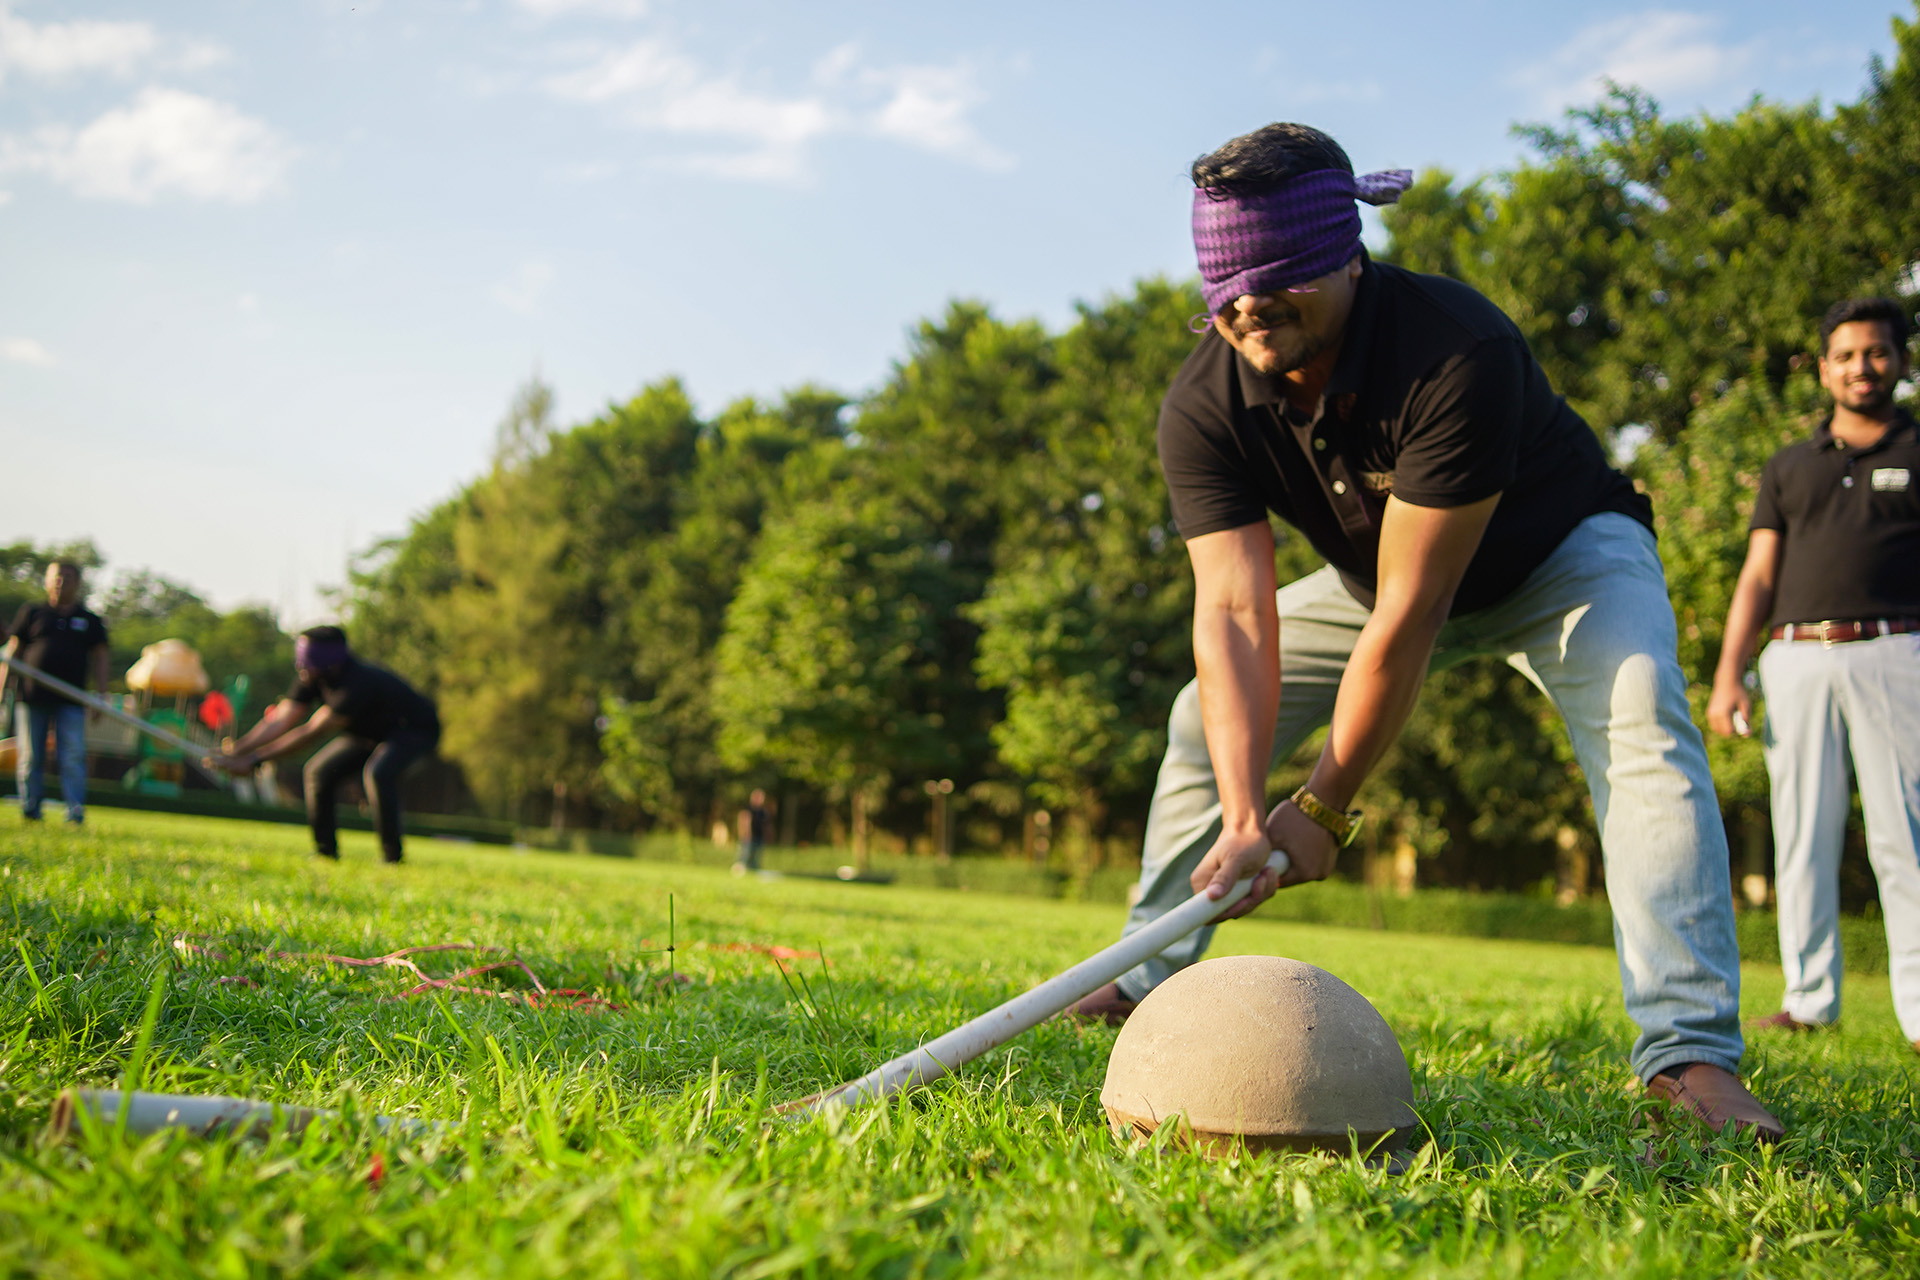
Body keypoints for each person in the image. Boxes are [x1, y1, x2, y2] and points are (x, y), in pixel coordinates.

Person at [1066, 123, 1780, 1139]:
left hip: (1560, 561)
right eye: (1226, 287)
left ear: (1346, 254)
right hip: (1372, 585)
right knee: (1198, 720)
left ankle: (1689, 1053)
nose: (1249, 306)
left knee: (1643, 720)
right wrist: (1246, 815)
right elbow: (1232, 610)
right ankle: (1146, 979)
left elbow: (1414, 609)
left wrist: (1324, 805)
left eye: (1278, 278)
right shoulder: (1204, 401)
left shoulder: (1456, 350)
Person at [1707, 298, 1920, 1054]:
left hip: (1895, 652)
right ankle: (1808, 999)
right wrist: (1729, 673)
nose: (1862, 366)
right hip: (1794, 658)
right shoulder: (1789, 466)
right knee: (1800, 833)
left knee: (1905, 836)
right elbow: (1758, 575)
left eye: (1877, 352)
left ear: (1900, 361)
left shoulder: (1917, 450)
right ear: (1824, 369)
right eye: (1846, 355)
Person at [212, 626, 440, 863]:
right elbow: (281, 718)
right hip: (366, 735)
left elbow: (310, 732)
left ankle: (392, 858)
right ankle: (325, 854)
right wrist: (236, 750)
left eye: (307, 661)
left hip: (412, 731)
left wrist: (255, 760)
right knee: (318, 772)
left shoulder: (356, 682)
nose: (301, 667)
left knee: (378, 773)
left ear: (330, 661)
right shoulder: (311, 676)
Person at [3, 561, 110, 824]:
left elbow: (101, 657)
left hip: (72, 700)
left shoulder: (89, 619)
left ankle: (74, 812)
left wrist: (101, 695)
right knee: (31, 755)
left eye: (68, 578)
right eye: (57, 577)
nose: (61, 582)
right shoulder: (32, 612)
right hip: (32, 697)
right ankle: (31, 810)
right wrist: (3, 687)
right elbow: (13, 652)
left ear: (78, 583)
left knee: (72, 755)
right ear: (48, 580)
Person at [736, 788, 770, 873]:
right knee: (744, 855)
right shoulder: (747, 808)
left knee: (756, 857)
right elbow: (743, 822)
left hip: (759, 836)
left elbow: (766, 825)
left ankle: (753, 870)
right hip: (748, 837)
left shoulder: (763, 811)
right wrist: (744, 834)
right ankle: (740, 869)